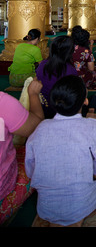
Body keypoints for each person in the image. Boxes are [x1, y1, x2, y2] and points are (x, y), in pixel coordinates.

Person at [25, 75, 96, 227]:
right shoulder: (93, 126)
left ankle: (62, 219)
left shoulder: (41, 128)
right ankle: (76, 219)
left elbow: (31, 170)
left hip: (46, 207)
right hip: (83, 203)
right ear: (85, 101)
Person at [0, 79, 44, 225]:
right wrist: (32, 94)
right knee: (43, 151)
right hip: (3, 183)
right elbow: (37, 128)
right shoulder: (3, 104)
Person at [36, 36, 78, 119]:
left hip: (42, 107)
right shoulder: (70, 70)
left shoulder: (42, 65)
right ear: (70, 52)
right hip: (61, 111)